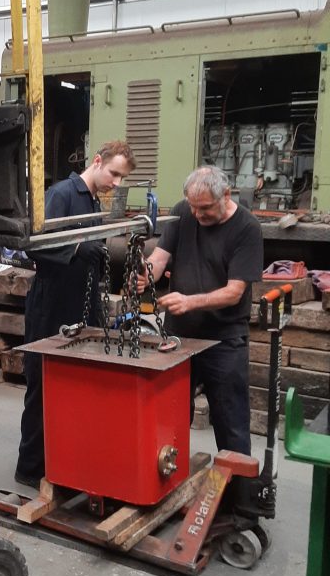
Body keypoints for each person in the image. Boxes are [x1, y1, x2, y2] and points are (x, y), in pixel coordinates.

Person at [15, 141, 137, 488]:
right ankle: (30, 468)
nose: (116, 183)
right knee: (42, 385)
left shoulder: (93, 202)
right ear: (97, 161)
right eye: (114, 174)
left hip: (81, 303)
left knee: (77, 388)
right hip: (52, 303)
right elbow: (36, 246)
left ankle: (66, 463)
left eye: (121, 178)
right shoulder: (62, 194)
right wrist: (80, 248)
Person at [137, 165, 263, 457]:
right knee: (171, 417)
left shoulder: (247, 228)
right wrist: (147, 274)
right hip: (180, 338)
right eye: (193, 207)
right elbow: (160, 256)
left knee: (231, 426)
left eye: (204, 208)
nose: (197, 214)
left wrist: (190, 301)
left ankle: (237, 497)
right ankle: (170, 481)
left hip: (224, 341)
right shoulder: (185, 211)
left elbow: (235, 292)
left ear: (226, 195)